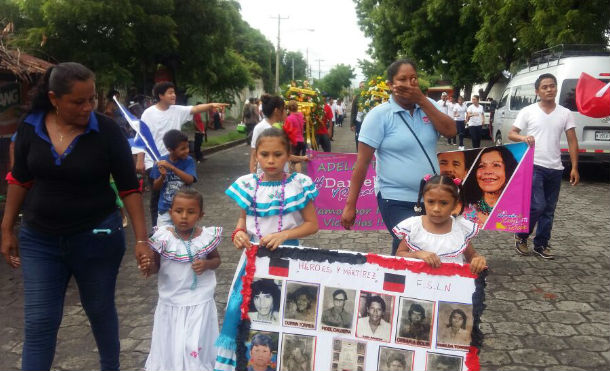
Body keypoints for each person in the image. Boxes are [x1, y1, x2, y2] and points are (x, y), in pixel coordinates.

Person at [0, 62, 149, 371]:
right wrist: (6, 228)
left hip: (96, 238)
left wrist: (141, 240)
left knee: (99, 309)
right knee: (40, 322)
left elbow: (128, 188)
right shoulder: (31, 125)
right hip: (40, 240)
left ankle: (111, 366)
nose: (87, 108)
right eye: (78, 101)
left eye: (91, 99)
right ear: (55, 99)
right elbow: (20, 178)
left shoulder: (106, 130)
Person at [215, 128, 318, 370]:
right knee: (239, 311)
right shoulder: (248, 185)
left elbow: (312, 225)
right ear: (256, 155)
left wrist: (284, 235)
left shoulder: (298, 185)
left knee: (284, 313)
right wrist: (239, 233)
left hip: (289, 258)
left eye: (278, 154)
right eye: (264, 154)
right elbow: (242, 222)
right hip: (253, 261)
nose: (271, 161)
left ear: (289, 155)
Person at [341, 59, 457, 255]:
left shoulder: (428, 106)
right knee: (411, 241)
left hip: (431, 197)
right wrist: (350, 205)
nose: (409, 83)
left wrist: (422, 101)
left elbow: (451, 131)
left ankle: (410, 281)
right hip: (394, 197)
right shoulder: (378, 116)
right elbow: (362, 163)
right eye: (402, 79)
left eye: (413, 79)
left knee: (424, 244)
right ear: (390, 85)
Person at [139, 188, 221, 371]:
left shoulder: (205, 237)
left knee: (194, 340)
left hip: (199, 300)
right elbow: (156, 266)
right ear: (171, 212)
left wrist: (206, 265)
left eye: (191, 212)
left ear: (200, 215)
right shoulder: (163, 237)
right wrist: (148, 267)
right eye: (178, 211)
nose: (184, 216)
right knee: (173, 339)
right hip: (171, 301)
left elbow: (217, 260)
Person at [509, 73, 580, 259]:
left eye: (552, 86)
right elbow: (512, 133)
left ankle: (541, 244)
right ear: (537, 91)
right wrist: (524, 137)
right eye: (545, 87)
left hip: (556, 168)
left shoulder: (565, 113)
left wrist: (574, 167)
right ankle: (522, 236)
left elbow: (572, 141)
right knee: (537, 206)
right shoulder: (528, 111)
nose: (549, 89)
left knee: (549, 209)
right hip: (534, 166)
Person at [141, 81, 227, 226]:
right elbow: (141, 138)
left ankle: (178, 225)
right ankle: (157, 229)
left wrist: (211, 105)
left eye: (174, 92)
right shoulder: (148, 114)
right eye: (169, 92)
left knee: (179, 195)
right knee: (157, 196)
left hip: (178, 160)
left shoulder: (177, 110)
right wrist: (139, 159)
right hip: (155, 161)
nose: (173, 95)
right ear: (160, 95)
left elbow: (195, 108)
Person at [394, 174, 487, 274]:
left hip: (450, 285)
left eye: (443, 203)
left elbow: (471, 255)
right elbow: (399, 254)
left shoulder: (460, 228)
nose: (436, 209)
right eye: (430, 202)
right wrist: (418, 254)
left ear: (454, 204)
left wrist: (477, 260)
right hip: (419, 284)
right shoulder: (414, 226)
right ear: (424, 200)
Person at [249, 94, 307, 174]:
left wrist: (302, 158)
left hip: (282, 174)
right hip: (265, 176)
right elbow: (253, 155)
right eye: (284, 109)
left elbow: (283, 155)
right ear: (277, 111)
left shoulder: (281, 126)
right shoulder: (261, 128)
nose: (286, 112)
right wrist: (253, 177)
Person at [150, 130, 197, 227]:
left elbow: (190, 180)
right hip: (165, 210)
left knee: (183, 238)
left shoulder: (189, 161)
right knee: (163, 239)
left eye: (187, 147)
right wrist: (162, 176)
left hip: (184, 210)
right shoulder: (160, 162)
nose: (187, 151)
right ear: (170, 150)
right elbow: (155, 187)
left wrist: (172, 168)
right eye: (182, 149)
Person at [462, 147, 518, 228]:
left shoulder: (518, 211)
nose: (488, 171)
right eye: (481, 166)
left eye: (496, 165)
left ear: (508, 171)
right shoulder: (463, 210)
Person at [285, 100, 306, 171]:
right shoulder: (301, 115)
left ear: (288, 108)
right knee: (297, 159)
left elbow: (287, 131)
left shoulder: (289, 118)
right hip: (301, 140)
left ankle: (292, 176)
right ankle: (298, 175)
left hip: (293, 141)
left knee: (291, 158)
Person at [350, 82, 365, 151]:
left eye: (363, 86)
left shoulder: (370, 96)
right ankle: (358, 153)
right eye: (360, 87)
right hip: (358, 121)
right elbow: (353, 111)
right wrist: (352, 124)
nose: (362, 88)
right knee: (358, 138)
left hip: (368, 122)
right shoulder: (356, 97)